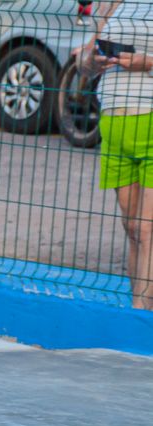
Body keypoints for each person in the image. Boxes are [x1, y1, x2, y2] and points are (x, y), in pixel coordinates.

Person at [76, 1, 153, 310]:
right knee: (132, 229)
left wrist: (146, 63)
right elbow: (83, 62)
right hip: (114, 122)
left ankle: (141, 316)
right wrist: (91, 62)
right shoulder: (113, 3)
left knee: (147, 229)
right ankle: (141, 307)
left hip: (150, 118)